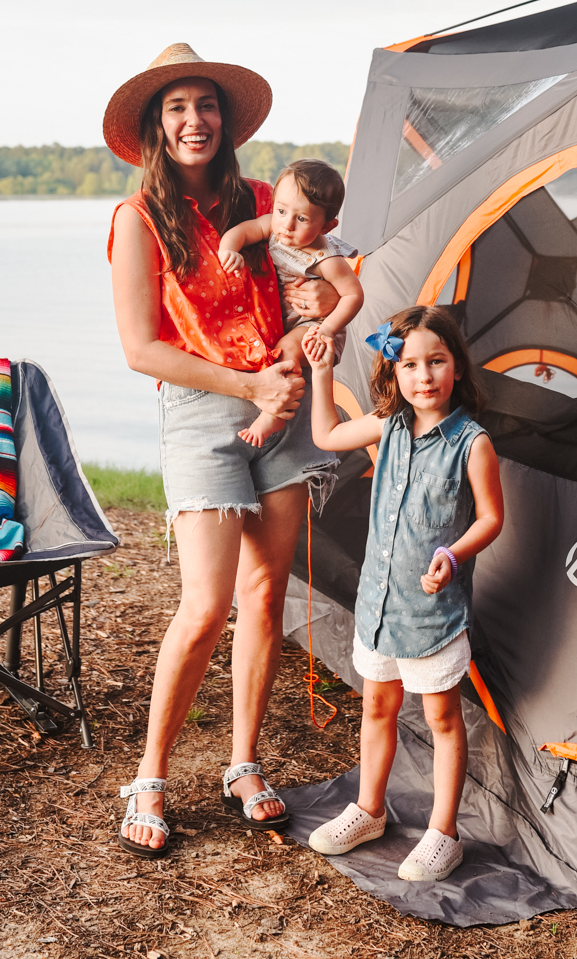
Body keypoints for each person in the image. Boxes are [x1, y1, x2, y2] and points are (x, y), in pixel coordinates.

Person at [104, 43, 342, 859]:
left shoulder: (273, 201)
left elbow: (310, 289)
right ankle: (150, 775)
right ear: (155, 129)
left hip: (278, 399)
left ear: (224, 121)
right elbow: (140, 348)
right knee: (206, 605)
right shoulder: (136, 220)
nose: (193, 119)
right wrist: (247, 390)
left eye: (205, 105)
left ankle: (243, 763)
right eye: (176, 108)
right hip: (206, 407)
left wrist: (310, 320)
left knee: (267, 595)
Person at [302, 306, 505, 883]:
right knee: (377, 706)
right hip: (379, 606)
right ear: (394, 374)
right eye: (410, 364)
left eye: (436, 362)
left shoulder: (472, 443)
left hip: (434, 614)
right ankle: (368, 810)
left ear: (457, 368)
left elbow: (491, 518)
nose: (424, 376)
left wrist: (451, 555)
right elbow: (326, 435)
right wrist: (321, 372)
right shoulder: (388, 426)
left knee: (442, 718)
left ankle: (444, 833)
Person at [218, 158, 364, 447]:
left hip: (314, 324)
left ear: (327, 225)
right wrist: (229, 250)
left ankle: (274, 414)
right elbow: (243, 232)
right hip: (289, 318)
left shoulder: (326, 258)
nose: (286, 224)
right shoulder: (274, 228)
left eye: (302, 218)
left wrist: (327, 329)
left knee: (285, 350)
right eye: (281, 210)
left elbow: (354, 295)